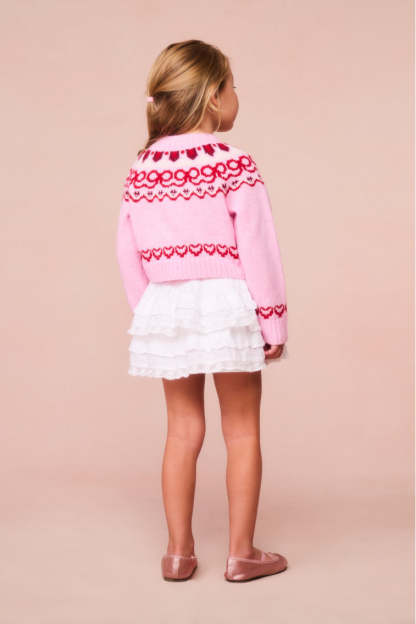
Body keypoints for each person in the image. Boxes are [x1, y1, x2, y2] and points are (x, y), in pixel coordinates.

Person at [116, 39, 289, 582]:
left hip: (167, 304)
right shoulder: (233, 163)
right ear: (214, 96)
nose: (237, 95)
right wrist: (272, 319)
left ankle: (178, 553)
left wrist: (151, 313)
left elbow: (126, 249)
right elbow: (258, 247)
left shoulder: (143, 166)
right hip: (227, 302)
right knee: (242, 430)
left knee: (181, 430)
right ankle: (242, 554)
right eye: (233, 86)